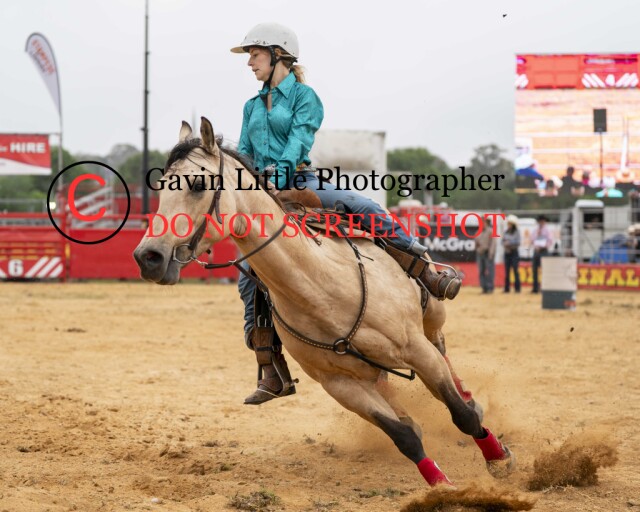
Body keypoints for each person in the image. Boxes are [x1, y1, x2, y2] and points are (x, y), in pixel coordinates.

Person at [230, 23, 461, 405]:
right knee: (246, 271)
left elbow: (298, 142)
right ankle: (270, 366)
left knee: (366, 207)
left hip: (300, 181)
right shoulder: (251, 107)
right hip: (265, 193)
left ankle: (426, 272)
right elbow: (244, 152)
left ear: (277, 54)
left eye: (254, 54)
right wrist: (249, 185)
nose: (249, 62)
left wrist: (275, 180)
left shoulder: (305, 97)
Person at [529, 215, 553, 293]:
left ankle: (545, 287)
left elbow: (550, 241)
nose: (541, 222)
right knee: (534, 270)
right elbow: (532, 239)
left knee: (545, 270)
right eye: (540, 221)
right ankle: (535, 288)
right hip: (536, 251)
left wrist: (543, 246)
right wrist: (535, 246)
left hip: (544, 251)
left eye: (542, 221)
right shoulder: (535, 230)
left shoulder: (548, 230)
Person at [475, 217, 496, 294]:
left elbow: (493, 243)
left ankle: (490, 287)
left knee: (490, 271)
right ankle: (484, 287)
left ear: (486, 222)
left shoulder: (490, 231)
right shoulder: (478, 232)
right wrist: (477, 249)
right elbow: (476, 243)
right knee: (481, 271)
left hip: (487, 253)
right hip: (480, 253)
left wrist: (491, 253)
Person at [501, 215, 521, 293]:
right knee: (507, 271)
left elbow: (518, 242)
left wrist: (509, 243)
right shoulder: (506, 232)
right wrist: (505, 243)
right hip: (507, 253)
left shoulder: (517, 232)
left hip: (514, 253)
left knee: (515, 270)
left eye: (509, 224)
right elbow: (502, 241)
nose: (508, 225)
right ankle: (507, 288)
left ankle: (517, 288)